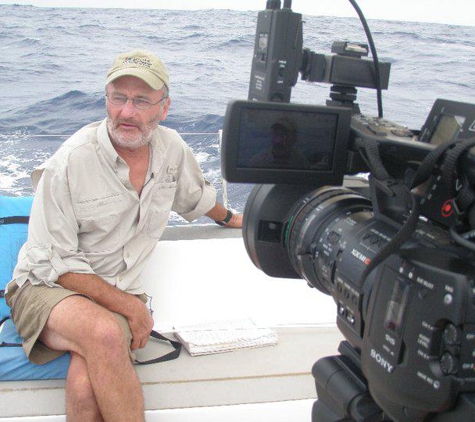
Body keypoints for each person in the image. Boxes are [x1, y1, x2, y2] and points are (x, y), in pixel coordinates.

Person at [5, 49, 242, 421]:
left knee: (85, 385)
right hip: (47, 287)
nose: (127, 112)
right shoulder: (69, 162)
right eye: (119, 98)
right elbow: (60, 265)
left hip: (113, 291)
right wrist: (131, 307)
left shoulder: (171, 150)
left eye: (142, 100)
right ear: (106, 100)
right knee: (106, 334)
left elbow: (197, 197)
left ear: (164, 108)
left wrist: (232, 218)